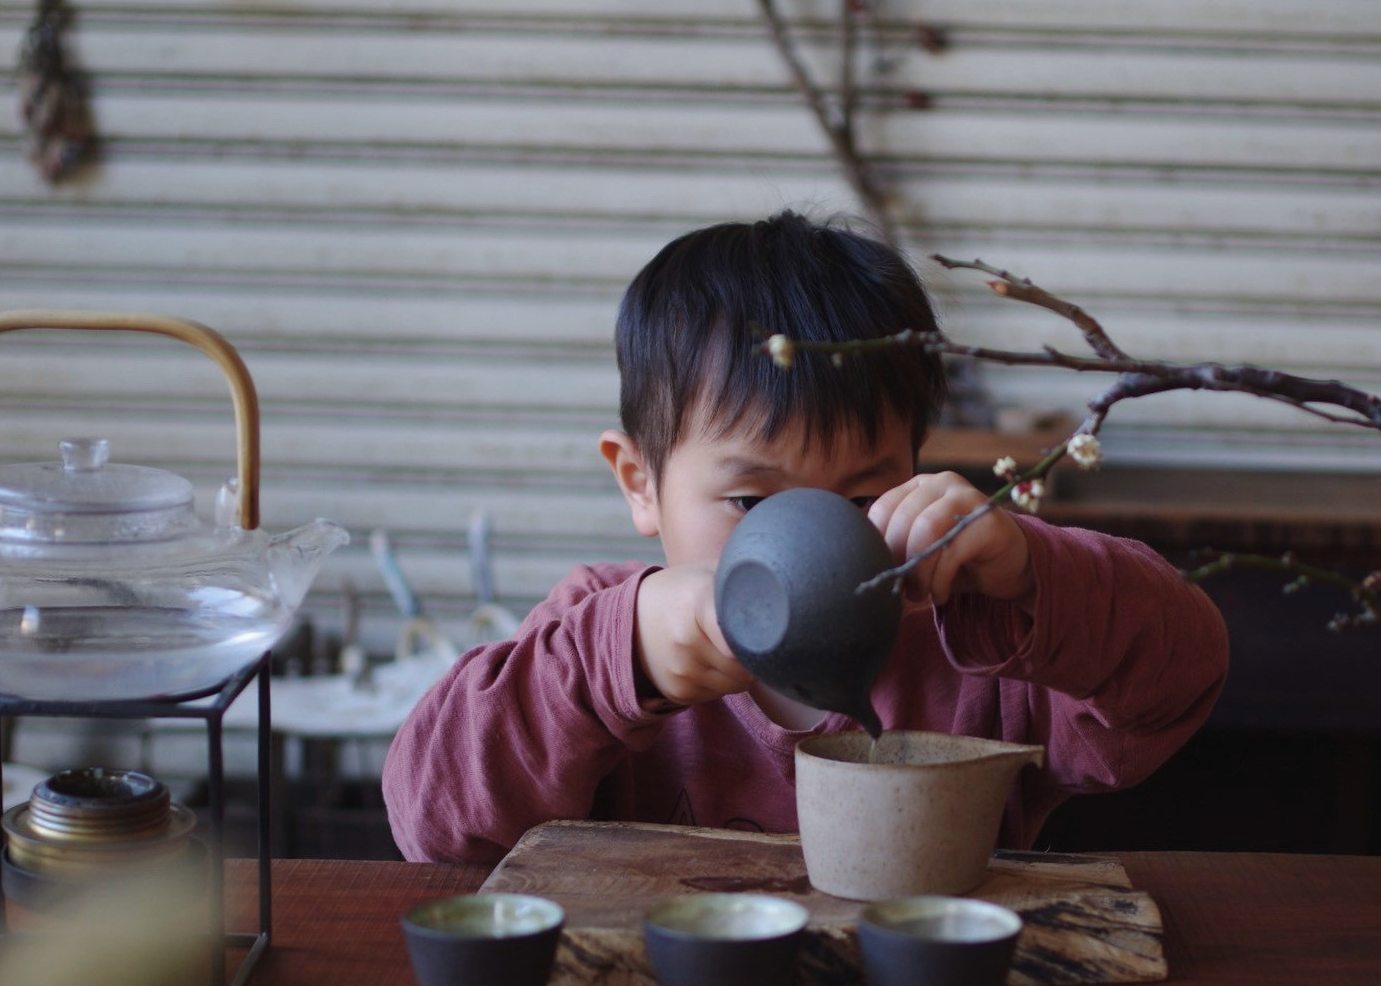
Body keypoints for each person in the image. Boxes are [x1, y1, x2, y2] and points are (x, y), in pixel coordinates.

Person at [383, 211, 1228, 864]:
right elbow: (434, 824)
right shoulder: (603, 634)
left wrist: (1031, 574)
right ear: (641, 482)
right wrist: (619, 661)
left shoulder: (976, 642)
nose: (815, 537)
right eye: (751, 501)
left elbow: (1179, 680)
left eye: (864, 494)